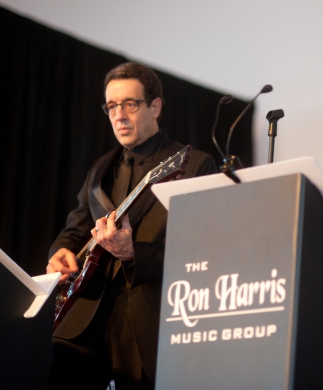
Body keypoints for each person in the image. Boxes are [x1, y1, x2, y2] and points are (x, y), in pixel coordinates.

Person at [46, 62, 217, 389]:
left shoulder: (195, 164)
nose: (119, 115)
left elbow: (201, 253)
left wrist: (133, 253)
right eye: (111, 106)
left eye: (129, 104)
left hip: (146, 319)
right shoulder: (101, 168)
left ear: (155, 107)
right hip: (85, 316)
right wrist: (60, 251)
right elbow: (75, 228)